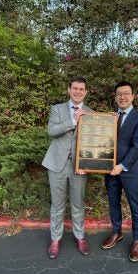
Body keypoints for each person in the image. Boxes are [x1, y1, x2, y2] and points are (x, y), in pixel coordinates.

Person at [42, 76, 93, 259]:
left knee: (78, 204)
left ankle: (80, 237)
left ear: (86, 92)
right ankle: (55, 239)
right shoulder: (57, 109)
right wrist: (74, 121)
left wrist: (87, 164)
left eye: (81, 89)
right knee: (57, 205)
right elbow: (52, 131)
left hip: (79, 167)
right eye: (75, 88)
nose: (78, 91)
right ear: (69, 90)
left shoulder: (91, 112)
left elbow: (92, 143)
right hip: (56, 165)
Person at [101, 80, 138, 262]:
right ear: (115, 97)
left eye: (126, 93)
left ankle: (137, 240)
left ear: (132, 96)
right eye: (119, 94)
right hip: (109, 170)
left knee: (135, 206)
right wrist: (107, 121)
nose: (123, 97)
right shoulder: (110, 117)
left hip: (129, 170)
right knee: (113, 203)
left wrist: (121, 166)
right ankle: (116, 232)